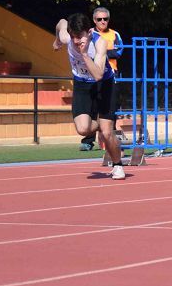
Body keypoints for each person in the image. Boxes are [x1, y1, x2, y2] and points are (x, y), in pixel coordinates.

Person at [53, 14, 125, 180]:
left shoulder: (99, 43)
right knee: (83, 129)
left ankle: (117, 165)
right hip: (82, 84)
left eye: (79, 37)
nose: (76, 41)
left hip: (104, 84)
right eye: (73, 37)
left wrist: (85, 54)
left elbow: (99, 74)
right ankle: (103, 124)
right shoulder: (68, 37)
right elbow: (61, 22)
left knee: (107, 133)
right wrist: (57, 40)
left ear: (89, 31)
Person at [80, 7, 124, 151]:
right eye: (99, 19)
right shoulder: (89, 34)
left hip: (111, 75)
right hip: (93, 75)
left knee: (110, 108)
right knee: (92, 108)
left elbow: (119, 51)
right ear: (94, 20)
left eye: (105, 19)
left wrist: (101, 52)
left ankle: (110, 138)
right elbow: (87, 54)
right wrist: (102, 52)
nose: (103, 21)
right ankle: (88, 140)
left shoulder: (114, 34)